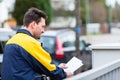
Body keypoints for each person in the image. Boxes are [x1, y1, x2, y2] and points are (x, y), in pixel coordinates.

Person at [1, 7, 73, 80]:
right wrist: (65, 73)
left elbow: (24, 68)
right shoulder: (29, 42)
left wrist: (57, 68)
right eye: (42, 26)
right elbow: (51, 71)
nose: (43, 30)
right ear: (33, 24)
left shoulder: (11, 41)